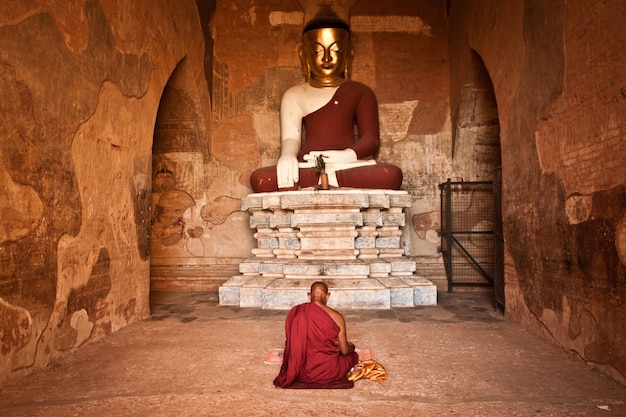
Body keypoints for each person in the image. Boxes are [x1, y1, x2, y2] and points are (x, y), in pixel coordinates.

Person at [250, 11, 403, 192]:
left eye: (336, 50)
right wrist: (287, 156)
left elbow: (370, 140)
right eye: (317, 51)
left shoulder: (360, 92)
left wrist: (346, 156)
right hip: (310, 166)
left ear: (349, 54)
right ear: (304, 55)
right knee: (261, 178)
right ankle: (328, 179)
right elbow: (291, 138)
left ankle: (328, 178)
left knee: (391, 175)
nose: (327, 58)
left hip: (347, 165)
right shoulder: (294, 94)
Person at [273, 281, 359, 388]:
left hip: (300, 372)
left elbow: (291, 341)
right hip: (328, 373)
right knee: (353, 356)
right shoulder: (337, 317)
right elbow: (345, 350)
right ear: (327, 296)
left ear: (309, 295)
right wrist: (352, 346)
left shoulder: (296, 312)